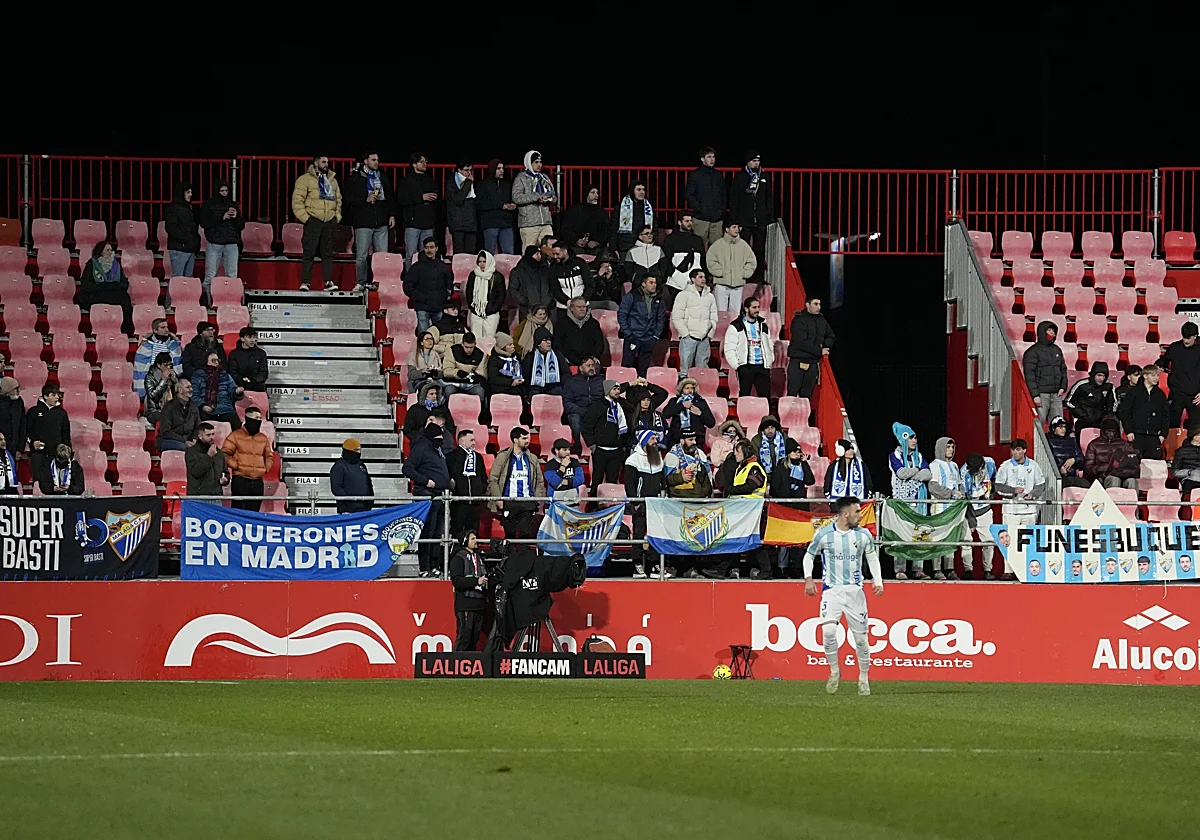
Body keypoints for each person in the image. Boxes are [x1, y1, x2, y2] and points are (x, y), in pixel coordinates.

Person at [803, 495, 883, 697]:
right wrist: (808, 579)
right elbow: (809, 555)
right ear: (845, 513)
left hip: (855, 592)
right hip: (832, 591)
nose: (860, 515)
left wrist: (878, 580)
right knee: (829, 632)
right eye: (857, 511)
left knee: (861, 640)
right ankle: (834, 671)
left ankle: (863, 678)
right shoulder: (824, 534)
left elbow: (872, 557)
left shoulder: (863, 535)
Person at [404, 420, 452, 577]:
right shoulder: (421, 449)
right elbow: (407, 468)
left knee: (437, 533)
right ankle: (424, 567)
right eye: (438, 435)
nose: (441, 438)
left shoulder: (437, 449)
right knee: (427, 532)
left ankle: (434, 565)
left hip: (440, 495)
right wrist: (426, 481)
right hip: (426, 495)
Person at [344, 150, 396, 294]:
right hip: (363, 222)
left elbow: (390, 197)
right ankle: (361, 282)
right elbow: (348, 199)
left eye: (377, 160)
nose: (376, 162)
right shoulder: (355, 178)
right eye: (373, 160)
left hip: (381, 222)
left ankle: (381, 282)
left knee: (382, 255)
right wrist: (365, 200)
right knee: (361, 255)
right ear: (365, 161)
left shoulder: (382, 177)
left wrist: (391, 215)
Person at [994, 438, 1046, 581]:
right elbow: (998, 487)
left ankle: (1027, 570)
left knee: (1028, 541)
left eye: (1018, 450)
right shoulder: (1005, 466)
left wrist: (1033, 494)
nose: (1015, 453)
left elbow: (1040, 485)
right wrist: (1013, 490)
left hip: (1029, 510)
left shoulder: (1034, 466)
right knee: (1008, 541)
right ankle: (1008, 570)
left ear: (1024, 450)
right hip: (1011, 510)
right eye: (1013, 450)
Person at [291, 155, 342, 292]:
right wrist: (306, 219)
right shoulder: (304, 180)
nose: (326, 164)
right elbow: (297, 202)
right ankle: (306, 282)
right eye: (323, 162)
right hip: (313, 220)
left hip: (329, 221)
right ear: (315, 162)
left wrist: (336, 217)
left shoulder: (332, 180)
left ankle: (328, 282)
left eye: (327, 162)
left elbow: (338, 200)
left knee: (327, 253)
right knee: (309, 252)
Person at [888, 422, 932, 580]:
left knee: (919, 534)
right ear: (904, 439)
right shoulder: (895, 455)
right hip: (902, 502)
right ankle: (900, 569)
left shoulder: (918, 456)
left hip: (918, 503)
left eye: (915, 437)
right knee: (901, 535)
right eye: (912, 438)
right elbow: (901, 473)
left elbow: (928, 475)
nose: (915, 440)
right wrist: (917, 471)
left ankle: (918, 569)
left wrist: (915, 473)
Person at [488, 427, 545, 539]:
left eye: (527, 438)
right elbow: (493, 479)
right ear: (515, 440)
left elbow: (539, 481)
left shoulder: (532, 458)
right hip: (509, 502)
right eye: (524, 438)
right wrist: (498, 499)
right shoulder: (502, 457)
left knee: (525, 535)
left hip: (528, 502)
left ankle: (524, 556)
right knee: (510, 536)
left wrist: (537, 501)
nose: (527, 441)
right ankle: (510, 556)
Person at [770, 440, 815, 578]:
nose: (797, 454)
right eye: (794, 451)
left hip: (799, 508)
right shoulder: (780, 468)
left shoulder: (802, 466)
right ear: (788, 453)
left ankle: (796, 567)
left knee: (799, 540)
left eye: (798, 451)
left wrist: (805, 463)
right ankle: (782, 567)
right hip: (785, 508)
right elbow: (774, 489)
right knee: (785, 540)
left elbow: (810, 481)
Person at [625, 430, 667, 578]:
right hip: (640, 504)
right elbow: (629, 483)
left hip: (656, 504)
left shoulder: (659, 459)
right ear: (644, 442)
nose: (656, 441)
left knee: (655, 534)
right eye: (653, 439)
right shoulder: (633, 460)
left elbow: (663, 482)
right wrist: (635, 501)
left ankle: (653, 566)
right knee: (638, 534)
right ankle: (637, 565)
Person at [197, 178, 245, 301]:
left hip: (231, 244)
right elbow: (204, 223)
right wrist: (221, 217)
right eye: (222, 190)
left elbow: (241, 225)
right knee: (210, 275)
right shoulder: (208, 205)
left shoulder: (233, 204)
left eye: (226, 190)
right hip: (214, 243)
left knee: (232, 275)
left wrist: (235, 217)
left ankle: (231, 301)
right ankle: (207, 302)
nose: (224, 193)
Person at [730, 439, 771, 579]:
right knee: (740, 540)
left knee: (756, 542)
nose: (735, 454)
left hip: (754, 512)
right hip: (742, 511)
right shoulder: (741, 467)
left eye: (738, 451)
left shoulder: (755, 468)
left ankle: (766, 570)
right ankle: (727, 568)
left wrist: (731, 490)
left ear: (745, 452)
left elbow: (750, 486)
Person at [583, 379, 631, 491]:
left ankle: (611, 506)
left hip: (616, 450)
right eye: (614, 389)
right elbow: (586, 426)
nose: (617, 391)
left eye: (619, 389)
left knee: (612, 482)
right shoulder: (597, 405)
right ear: (607, 390)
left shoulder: (621, 405)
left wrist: (623, 445)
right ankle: (594, 506)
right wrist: (592, 444)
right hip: (600, 450)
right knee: (597, 480)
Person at [221, 406, 272, 511]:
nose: (258, 422)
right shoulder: (235, 436)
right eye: (255, 419)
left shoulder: (263, 438)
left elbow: (269, 455)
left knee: (254, 513)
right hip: (240, 480)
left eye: (259, 419)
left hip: (257, 481)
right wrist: (236, 465)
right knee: (238, 511)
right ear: (247, 419)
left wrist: (265, 468)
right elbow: (225, 454)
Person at [927, 436, 964, 580]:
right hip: (940, 508)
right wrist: (950, 493)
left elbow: (959, 483)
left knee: (951, 538)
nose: (951, 450)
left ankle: (950, 568)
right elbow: (933, 486)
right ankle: (937, 569)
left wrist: (961, 493)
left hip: (953, 509)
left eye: (952, 447)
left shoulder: (954, 465)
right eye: (948, 447)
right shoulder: (935, 465)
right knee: (938, 539)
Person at [723, 296, 774, 397]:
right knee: (745, 396)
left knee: (765, 397)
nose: (757, 310)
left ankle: (765, 413)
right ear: (746, 309)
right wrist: (738, 366)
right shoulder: (736, 326)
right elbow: (729, 348)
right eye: (754, 307)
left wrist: (770, 359)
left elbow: (769, 343)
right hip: (746, 367)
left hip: (762, 366)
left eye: (758, 307)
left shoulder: (763, 324)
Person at [730, 150, 772, 271]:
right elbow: (734, 199)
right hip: (744, 220)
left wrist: (768, 214)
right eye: (754, 161)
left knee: (759, 250)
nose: (756, 163)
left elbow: (768, 197)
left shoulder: (764, 177)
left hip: (760, 220)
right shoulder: (740, 178)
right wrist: (735, 218)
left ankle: (758, 275)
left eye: (758, 161)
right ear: (748, 162)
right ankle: (743, 274)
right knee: (743, 249)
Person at [672, 269, 718, 378]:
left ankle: (701, 393)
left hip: (704, 339)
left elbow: (714, 316)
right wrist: (685, 334)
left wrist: (709, 335)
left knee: (702, 370)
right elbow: (677, 317)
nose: (703, 279)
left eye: (704, 277)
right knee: (685, 371)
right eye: (700, 277)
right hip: (689, 338)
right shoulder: (683, 295)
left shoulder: (710, 296)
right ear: (693, 279)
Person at [79, 241, 133, 334]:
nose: (110, 252)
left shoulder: (116, 265)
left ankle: (126, 332)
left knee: (124, 298)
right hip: (96, 294)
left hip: (113, 294)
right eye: (107, 250)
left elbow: (124, 284)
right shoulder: (92, 264)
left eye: (111, 250)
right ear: (101, 252)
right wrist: (107, 286)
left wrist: (109, 286)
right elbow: (86, 284)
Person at [403, 237, 453, 336]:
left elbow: (449, 281)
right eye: (426, 248)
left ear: (436, 248)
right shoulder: (416, 267)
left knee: (439, 336)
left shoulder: (442, 266)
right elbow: (407, 286)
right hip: (422, 307)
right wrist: (420, 297)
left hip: (438, 306)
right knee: (423, 338)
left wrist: (446, 294)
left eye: (431, 247)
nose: (429, 250)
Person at [618, 274, 666, 376]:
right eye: (651, 283)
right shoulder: (632, 296)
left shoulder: (659, 299)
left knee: (644, 369)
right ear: (643, 284)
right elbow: (622, 315)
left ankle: (641, 390)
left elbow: (661, 319)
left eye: (655, 283)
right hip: (633, 336)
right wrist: (629, 334)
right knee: (627, 366)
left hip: (649, 338)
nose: (654, 285)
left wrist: (656, 335)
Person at [1022, 320, 1068, 427]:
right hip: (1042, 395)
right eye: (1049, 330)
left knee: (1058, 425)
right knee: (1038, 424)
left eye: (1053, 331)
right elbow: (1029, 375)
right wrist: (1035, 395)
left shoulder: (1057, 350)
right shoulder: (1032, 352)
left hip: (1057, 394)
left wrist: (1063, 386)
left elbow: (1063, 369)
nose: (1052, 333)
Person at [788, 297, 836, 398]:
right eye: (815, 304)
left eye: (819, 304)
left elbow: (831, 336)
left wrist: (825, 346)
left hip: (813, 364)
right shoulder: (798, 320)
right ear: (807, 305)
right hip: (798, 362)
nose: (819, 307)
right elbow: (800, 342)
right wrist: (819, 350)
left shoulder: (822, 321)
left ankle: (806, 414)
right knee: (792, 394)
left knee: (807, 396)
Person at [1119, 363, 1170, 459]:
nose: (1156, 378)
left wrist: (1163, 434)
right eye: (1153, 375)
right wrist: (1129, 431)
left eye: (1157, 375)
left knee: (1153, 464)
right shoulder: (1133, 392)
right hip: (1136, 435)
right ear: (1145, 376)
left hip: (1154, 436)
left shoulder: (1160, 395)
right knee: (1135, 464)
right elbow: (1125, 412)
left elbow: (1165, 415)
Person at [960, 453, 997, 580]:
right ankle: (968, 570)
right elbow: (965, 498)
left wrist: (991, 493)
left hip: (985, 509)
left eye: (977, 471)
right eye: (972, 471)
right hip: (969, 509)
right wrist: (971, 519)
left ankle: (988, 570)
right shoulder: (964, 473)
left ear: (982, 466)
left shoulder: (990, 463)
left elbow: (994, 479)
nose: (975, 473)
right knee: (966, 541)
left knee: (989, 541)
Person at [449, 531, 489, 651]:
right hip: (465, 603)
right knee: (464, 638)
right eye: (473, 538)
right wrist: (476, 581)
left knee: (474, 639)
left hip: (478, 604)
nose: (476, 541)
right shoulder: (458, 558)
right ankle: (456, 666)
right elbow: (457, 581)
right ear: (465, 541)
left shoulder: (479, 558)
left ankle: (469, 667)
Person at [1157, 321, 1200, 429]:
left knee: (1196, 427)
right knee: (1172, 423)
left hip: (1195, 394)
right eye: (1184, 337)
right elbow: (1163, 361)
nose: (1185, 340)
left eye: (1188, 338)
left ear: (1195, 336)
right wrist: (1158, 366)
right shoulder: (1174, 347)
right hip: (1177, 392)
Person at [397, 153, 438, 262]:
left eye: (426, 162)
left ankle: (425, 278)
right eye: (422, 162)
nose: (425, 164)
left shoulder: (430, 180)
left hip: (428, 223)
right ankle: (410, 277)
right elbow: (402, 199)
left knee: (428, 253)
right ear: (414, 165)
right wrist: (421, 198)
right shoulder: (406, 181)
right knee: (411, 253)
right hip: (412, 223)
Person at [513, 150, 556, 251]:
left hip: (545, 221)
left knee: (549, 250)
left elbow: (552, 193)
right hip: (529, 223)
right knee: (529, 251)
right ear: (529, 163)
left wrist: (552, 199)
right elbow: (517, 197)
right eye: (536, 162)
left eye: (540, 162)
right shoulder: (521, 178)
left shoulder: (544, 177)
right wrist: (536, 197)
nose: (539, 165)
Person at [446, 429, 487, 536]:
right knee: (457, 529)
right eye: (471, 440)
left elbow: (483, 477)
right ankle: (456, 552)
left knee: (473, 531)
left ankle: (471, 552)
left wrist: (480, 490)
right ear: (462, 441)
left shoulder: (478, 457)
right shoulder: (451, 457)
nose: (474, 443)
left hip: (475, 502)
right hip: (459, 502)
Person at [1084, 414, 1140, 490]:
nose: (1111, 434)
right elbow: (1088, 468)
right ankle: (1112, 501)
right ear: (1103, 430)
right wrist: (1106, 468)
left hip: (1122, 475)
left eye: (1113, 431)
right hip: (1103, 477)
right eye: (1108, 431)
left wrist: (1121, 470)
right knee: (1114, 479)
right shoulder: (1094, 445)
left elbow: (1134, 467)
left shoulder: (1124, 445)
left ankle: (1131, 501)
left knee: (1132, 481)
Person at [685, 146, 727, 247]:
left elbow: (724, 194)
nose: (712, 159)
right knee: (699, 247)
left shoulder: (719, 175)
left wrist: (722, 210)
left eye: (713, 157)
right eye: (709, 157)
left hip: (716, 219)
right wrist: (699, 209)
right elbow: (689, 194)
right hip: (701, 219)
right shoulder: (695, 175)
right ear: (702, 159)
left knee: (717, 249)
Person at [662, 214, 706, 308]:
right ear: (679, 222)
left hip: (694, 284)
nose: (689, 223)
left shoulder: (698, 240)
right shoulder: (670, 239)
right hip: (675, 284)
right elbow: (666, 261)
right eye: (686, 221)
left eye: (690, 221)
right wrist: (675, 275)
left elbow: (702, 260)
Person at [190, 351, 243, 428]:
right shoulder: (197, 376)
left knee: (236, 423)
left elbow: (232, 392)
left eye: (217, 360)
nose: (216, 362)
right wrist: (202, 405)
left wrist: (237, 392)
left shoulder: (226, 376)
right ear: (206, 362)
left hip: (225, 408)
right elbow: (194, 395)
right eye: (213, 360)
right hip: (205, 409)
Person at [26, 385, 70, 474]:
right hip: (38, 454)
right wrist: (33, 442)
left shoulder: (62, 413)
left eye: (58, 395)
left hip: (57, 455)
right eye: (53, 395)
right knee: (39, 481)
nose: (57, 397)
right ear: (45, 396)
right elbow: (27, 431)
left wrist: (68, 451)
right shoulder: (33, 411)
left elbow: (66, 434)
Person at [133, 318, 183, 397]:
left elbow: (178, 365)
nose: (166, 330)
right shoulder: (146, 346)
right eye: (163, 328)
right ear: (155, 330)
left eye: (167, 327)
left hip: (170, 379)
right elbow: (140, 368)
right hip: (152, 378)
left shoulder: (174, 345)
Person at [1064, 360, 1116, 436]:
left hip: (1100, 422)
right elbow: (1068, 401)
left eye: (1104, 376)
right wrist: (1081, 414)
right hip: (1083, 421)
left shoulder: (1109, 386)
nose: (1102, 378)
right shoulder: (1082, 385)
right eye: (1099, 375)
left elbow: (1113, 404)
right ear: (1093, 374)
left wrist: (1106, 416)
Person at [464, 251, 507, 342]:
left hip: (491, 314)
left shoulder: (497, 277)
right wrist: (473, 308)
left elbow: (501, 296)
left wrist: (491, 309)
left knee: (489, 339)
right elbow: (469, 292)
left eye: (484, 261)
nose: (482, 264)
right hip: (476, 313)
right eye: (480, 262)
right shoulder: (473, 275)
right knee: (476, 339)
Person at [476, 159, 516, 255]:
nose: (502, 170)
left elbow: (511, 199)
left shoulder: (507, 184)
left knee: (509, 253)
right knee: (490, 253)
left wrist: (513, 205)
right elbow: (480, 204)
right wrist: (501, 205)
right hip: (490, 223)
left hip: (506, 223)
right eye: (498, 168)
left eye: (502, 168)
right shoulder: (483, 185)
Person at [562, 355, 605, 445]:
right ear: (581, 368)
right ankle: (578, 447)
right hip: (579, 412)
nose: (591, 368)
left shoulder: (601, 381)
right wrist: (582, 411)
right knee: (575, 420)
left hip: (596, 412)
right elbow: (567, 403)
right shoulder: (571, 381)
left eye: (593, 365)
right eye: (588, 365)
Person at [662, 377, 716, 447]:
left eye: (692, 388)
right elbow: (665, 414)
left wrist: (700, 413)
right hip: (677, 438)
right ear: (681, 389)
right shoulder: (675, 401)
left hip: (696, 438)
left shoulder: (700, 402)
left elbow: (711, 423)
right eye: (687, 388)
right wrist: (681, 405)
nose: (690, 390)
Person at [557, 185, 607, 256]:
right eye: (593, 193)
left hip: (595, 247)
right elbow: (565, 229)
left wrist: (597, 242)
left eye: (597, 193)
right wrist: (576, 241)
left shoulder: (602, 213)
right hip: (576, 246)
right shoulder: (574, 210)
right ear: (586, 194)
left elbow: (606, 231)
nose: (596, 195)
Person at [404, 383, 455, 452]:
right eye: (431, 394)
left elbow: (450, 427)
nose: (435, 396)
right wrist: (423, 431)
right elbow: (408, 430)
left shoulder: (443, 409)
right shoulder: (414, 410)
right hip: (421, 442)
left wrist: (442, 430)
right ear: (424, 395)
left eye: (436, 393)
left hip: (442, 443)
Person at [550, 242, 594, 322]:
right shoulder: (553, 267)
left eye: (557, 254)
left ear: (565, 251)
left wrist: (583, 300)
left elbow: (590, 284)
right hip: (563, 307)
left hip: (582, 306)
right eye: (553, 254)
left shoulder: (580, 263)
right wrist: (567, 302)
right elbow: (554, 288)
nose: (555, 257)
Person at [509, 242, 554, 321]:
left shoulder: (545, 269)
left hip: (546, 309)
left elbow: (552, 286)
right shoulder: (518, 271)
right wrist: (525, 301)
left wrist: (550, 300)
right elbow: (513, 290)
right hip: (527, 310)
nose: (539, 257)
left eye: (540, 254)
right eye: (536, 254)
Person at [164, 181, 199, 278]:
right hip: (179, 249)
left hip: (189, 249)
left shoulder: (187, 208)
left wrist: (195, 241)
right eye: (188, 192)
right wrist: (186, 239)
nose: (190, 195)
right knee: (177, 280)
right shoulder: (173, 208)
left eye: (191, 192)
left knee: (187, 281)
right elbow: (171, 228)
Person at [557, 298, 605, 367]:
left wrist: (592, 357)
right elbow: (558, 345)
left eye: (584, 307)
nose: (582, 309)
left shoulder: (594, 323)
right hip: (569, 361)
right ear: (572, 309)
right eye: (579, 307)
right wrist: (572, 360)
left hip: (590, 361)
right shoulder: (561, 324)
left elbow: (599, 343)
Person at [186, 423, 228, 500]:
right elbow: (195, 472)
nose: (212, 437)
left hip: (216, 497)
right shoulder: (192, 452)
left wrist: (225, 480)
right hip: (198, 497)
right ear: (200, 436)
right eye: (208, 435)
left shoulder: (218, 453)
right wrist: (209, 456)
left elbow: (225, 472)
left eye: (213, 434)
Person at [157, 378, 199, 453]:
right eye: (188, 387)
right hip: (169, 440)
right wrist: (184, 441)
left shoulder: (194, 407)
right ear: (180, 390)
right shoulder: (168, 407)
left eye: (191, 387)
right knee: (184, 447)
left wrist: (194, 439)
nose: (191, 389)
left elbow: (197, 427)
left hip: (188, 441)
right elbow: (166, 432)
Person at [523, 328, 568, 396]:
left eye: (549, 339)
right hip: (536, 388)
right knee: (534, 394)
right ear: (538, 343)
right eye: (545, 340)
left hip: (554, 386)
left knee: (558, 392)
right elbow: (525, 375)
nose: (548, 342)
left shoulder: (557, 354)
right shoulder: (530, 356)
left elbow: (566, 373)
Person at [447, 159, 479, 255]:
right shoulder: (452, 183)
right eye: (466, 170)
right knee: (459, 253)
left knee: (471, 252)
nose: (469, 173)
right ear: (459, 170)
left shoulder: (473, 182)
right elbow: (458, 199)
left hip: (471, 223)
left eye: (470, 170)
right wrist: (468, 182)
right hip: (458, 223)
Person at [442, 332, 487, 400]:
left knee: (479, 391)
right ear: (462, 344)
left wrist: (475, 377)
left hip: (471, 384)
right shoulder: (452, 350)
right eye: (466, 347)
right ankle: (448, 410)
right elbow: (446, 371)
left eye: (471, 347)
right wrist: (457, 372)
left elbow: (482, 374)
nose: (469, 350)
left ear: (475, 344)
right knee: (449, 390)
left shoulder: (480, 355)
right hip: (454, 382)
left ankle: (480, 410)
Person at [613, 181, 654, 255]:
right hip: (625, 246)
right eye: (639, 190)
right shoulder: (620, 207)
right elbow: (613, 227)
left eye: (643, 190)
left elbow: (654, 227)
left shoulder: (648, 208)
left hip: (643, 246)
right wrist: (614, 247)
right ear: (632, 191)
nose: (642, 192)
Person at [1047, 416, 1087, 488]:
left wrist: (1074, 460)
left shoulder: (1072, 441)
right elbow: (1047, 460)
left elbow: (1081, 458)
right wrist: (1059, 469)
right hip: (1056, 477)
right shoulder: (1047, 440)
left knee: (1086, 484)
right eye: (1060, 427)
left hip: (1072, 476)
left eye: (1064, 427)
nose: (1063, 429)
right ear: (1053, 429)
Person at [544, 438, 585, 503]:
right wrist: (563, 466)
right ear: (556, 450)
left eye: (569, 449)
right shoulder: (549, 465)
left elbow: (580, 479)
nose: (568, 452)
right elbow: (554, 482)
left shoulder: (574, 462)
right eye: (565, 450)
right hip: (555, 504)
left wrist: (563, 482)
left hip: (572, 502)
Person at [404, 331, 445, 397]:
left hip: (433, 380)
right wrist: (422, 371)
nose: (430, 341)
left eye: (431, 339)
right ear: (421, 342)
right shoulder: (413, 355)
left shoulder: (436, 354)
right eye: (427, 339)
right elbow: (411, 375)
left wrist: (435, 373)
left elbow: (441, 373)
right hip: (418, 381)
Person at [142, 352, 178, 424]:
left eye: (170, 365)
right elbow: (153, 396)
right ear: (158, 365)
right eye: (165, 365)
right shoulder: (150, 377)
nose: (168, 367)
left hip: (171, 408)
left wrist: (175, 382)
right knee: (169, 418)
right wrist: (163, 381)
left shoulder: (172, 375)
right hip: (155, 410)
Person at [486, 333, 527, 398]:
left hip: (517, 387)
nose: (513, 346)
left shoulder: (517, 357)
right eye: (510, 345)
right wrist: (511, 382)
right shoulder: (494, 359)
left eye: (513, 344)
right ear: (503, 347)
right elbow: (493, 378)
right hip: (500, 388)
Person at [227, 328, 268, 393]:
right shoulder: (234, 354)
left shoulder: (261, 353)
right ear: (242, 338)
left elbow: (263, 373)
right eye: (249, 337)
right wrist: (241, 381)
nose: (252, 340)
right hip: (238, 388)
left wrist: (253, 381)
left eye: (254, 337)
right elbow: (232, 372)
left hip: (257, 388)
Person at [710, 420, 746, 490]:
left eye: (734, 431)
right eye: (730, 431)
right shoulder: (718, 443)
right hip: (721, 470)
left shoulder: (740, 443)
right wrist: (727, 457)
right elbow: (715, 461)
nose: (732, 433)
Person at [1171, 425, 1200, 499]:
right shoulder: (1181, 451)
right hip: (1189, 478)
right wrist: (1190, 472)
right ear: (1195, 437)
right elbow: (1174, 472)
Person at [0, 378, 26, 460]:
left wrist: (19, 449)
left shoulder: (19, 402)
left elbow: (22, 425)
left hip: (14, 447)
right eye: (15, 388)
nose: (18, 391)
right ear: (8, 390)